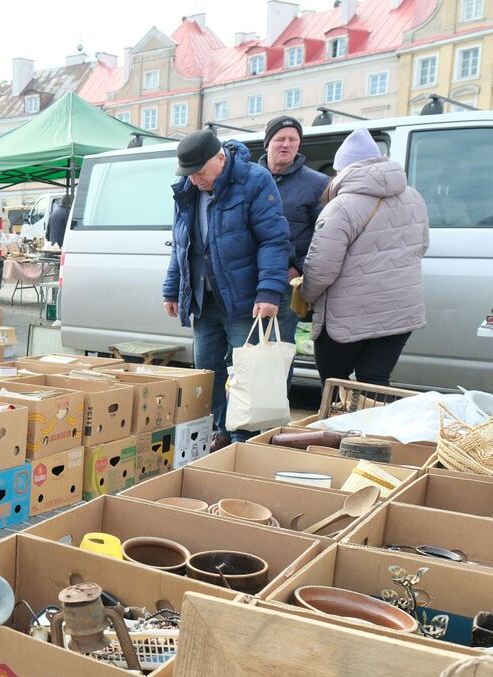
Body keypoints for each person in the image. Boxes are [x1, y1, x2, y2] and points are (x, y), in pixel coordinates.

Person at [162, 130, 290, 449]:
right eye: (189, 175)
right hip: (204, 300)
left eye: (201, 173)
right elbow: (182, 244)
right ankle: (221, 429)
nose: (195, 181)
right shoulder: (187, 189)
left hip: (244, 300)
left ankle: (244, 439)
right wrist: (172, 288)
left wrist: (269, 291)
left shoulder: (254, 181)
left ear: (221, 158)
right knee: (207, 371)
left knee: (247, 373)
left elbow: (273, 239)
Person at [302, 128, 428, 386]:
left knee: (335, 384)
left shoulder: (341, 206)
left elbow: (322, 268)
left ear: (343, 169)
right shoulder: (414, 197)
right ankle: (373, 427)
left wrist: (305, 297)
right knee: (375, 380)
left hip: (349, 312)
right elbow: (422, 245)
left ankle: (338, 427)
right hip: (400, 310)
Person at [257, 115, 329, 351]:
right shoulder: (250, 178)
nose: (286, 144)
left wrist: (297, 268)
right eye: (280, 139)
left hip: (286, 282)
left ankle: (278, 390)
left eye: (293, 139)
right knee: (241, 354)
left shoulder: (317, 183)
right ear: (267, 143)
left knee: (277, 353)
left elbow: (324, 236)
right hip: (246, 278)